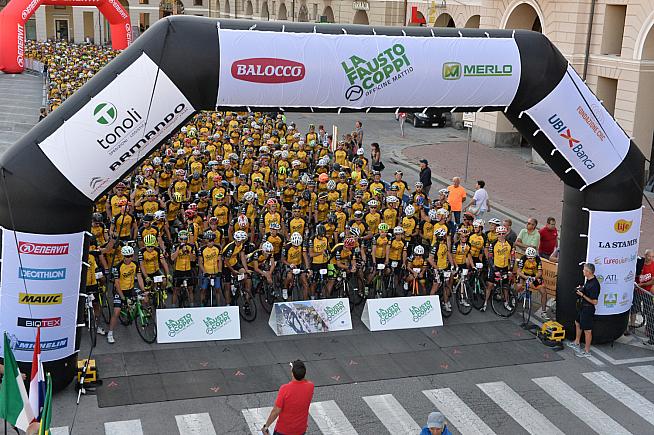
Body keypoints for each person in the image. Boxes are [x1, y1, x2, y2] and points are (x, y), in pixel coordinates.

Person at [262, 359, 314, 435]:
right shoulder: (310, 386)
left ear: (292, 373)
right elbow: (305, 381)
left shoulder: (285, 389)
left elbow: (276, 411)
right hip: (300, 429)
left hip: (284, 430)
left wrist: (266, 427)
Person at [568, 263, 600, 357]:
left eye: (584, 270)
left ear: (588, 272)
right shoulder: (589, 281)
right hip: (582, 307)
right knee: (577, 323)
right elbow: (586, 291)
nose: (582, 271)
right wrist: (581, 289)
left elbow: (594, 302)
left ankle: (587, 351)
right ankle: (577, 342)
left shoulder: (594, 285)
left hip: (588, 309)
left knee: (587, 331)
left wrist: (582, 295)